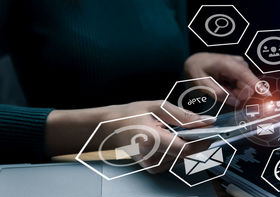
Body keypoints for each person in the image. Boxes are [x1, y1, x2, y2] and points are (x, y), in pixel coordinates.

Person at [0, 0, 260, 171]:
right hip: (73, 170)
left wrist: (193, 63)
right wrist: (107, 126)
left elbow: (145, 57)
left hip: (174, 168)